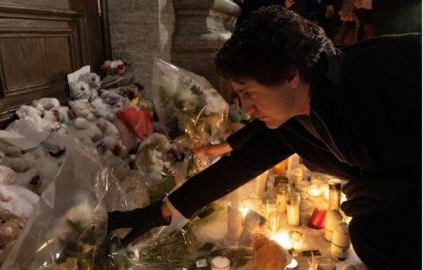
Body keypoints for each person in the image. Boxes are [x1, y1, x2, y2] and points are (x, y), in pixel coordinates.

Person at [108, 6, 421, 269]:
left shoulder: (376, 80)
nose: (244, 108)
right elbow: (238, 166)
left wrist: (383, 193)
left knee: (374, 234)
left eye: (248, 93)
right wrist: (157, 213)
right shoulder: (300, 112)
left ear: (290, 75)